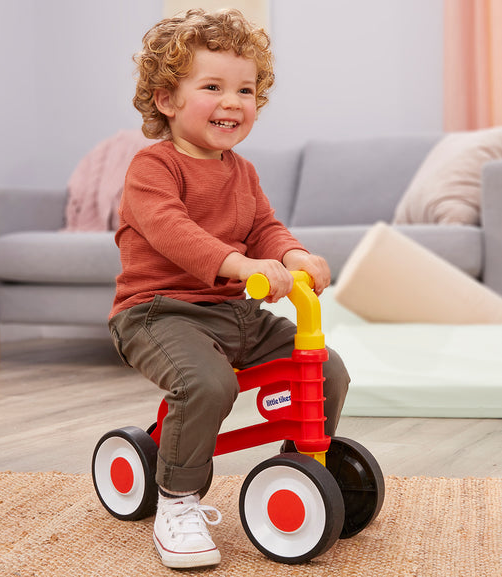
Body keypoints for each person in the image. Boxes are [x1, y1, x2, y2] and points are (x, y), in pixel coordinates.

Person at [108, 8, 350, 569]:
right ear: (167, 99)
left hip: (232, 315)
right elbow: (175, 233)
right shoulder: (153, 168)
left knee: (325, 366)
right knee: (206, 384)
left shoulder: (242, 171)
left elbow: (264, 224)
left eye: (246, 89)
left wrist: (292, 254)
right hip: (157, 314)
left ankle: (304, 468)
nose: (233, 101)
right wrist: (240, 266)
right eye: (212, 86)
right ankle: (177, 499)